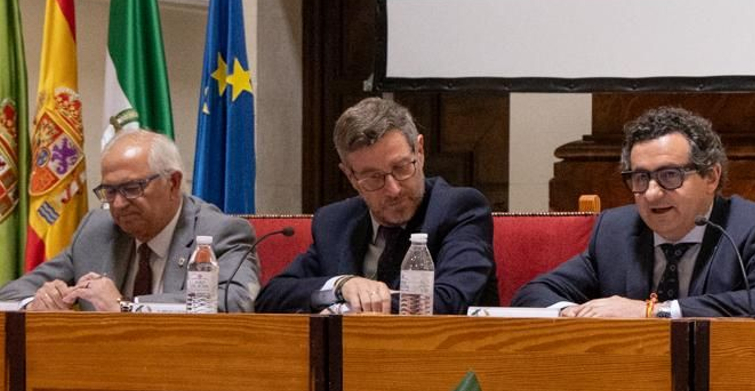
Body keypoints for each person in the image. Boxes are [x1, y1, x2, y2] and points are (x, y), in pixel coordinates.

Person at [513, 106, 755, 318]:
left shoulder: (754, 227)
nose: (651, 193)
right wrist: (573, 314)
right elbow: (532, 294)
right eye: (640, 178)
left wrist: (653, 311)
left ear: (711, 177)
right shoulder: (617, 230)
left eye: (669, 175)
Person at [256, 98, 497, 314]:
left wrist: (351, 305)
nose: (393, 189)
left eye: (402, 167)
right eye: (373, 177)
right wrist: (342, 285)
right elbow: (271, 297)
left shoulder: (460, 209)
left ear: (420, 151)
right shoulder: (335, 222)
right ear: (350, 176)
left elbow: (448, 301)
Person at [0, 129, 258, 312]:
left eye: (132, 188)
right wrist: (37, 302)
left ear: (173, 183)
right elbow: (9, 295)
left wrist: (126, 307)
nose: (119, 204)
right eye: (110, 191)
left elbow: (235, 301)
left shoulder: (220, 232)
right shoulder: (97, 231)